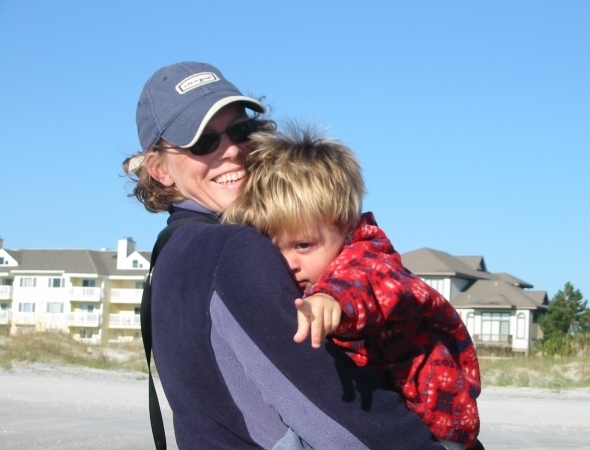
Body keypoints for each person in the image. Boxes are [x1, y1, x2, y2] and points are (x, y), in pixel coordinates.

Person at [123, 61, 449, 449]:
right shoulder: (233, 249)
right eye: (202, 142)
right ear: (159, 170)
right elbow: (334, 413)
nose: (231, 150)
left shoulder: (172, 254)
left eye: (240, 130)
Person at [222, 126, 482, 450]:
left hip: (436, 426)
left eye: (303, 245)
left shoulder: (370, 258)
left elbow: (363, 285)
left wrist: (331, 300)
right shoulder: (314, 267)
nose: (289, 263)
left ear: (345, 226)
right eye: (276, 249)